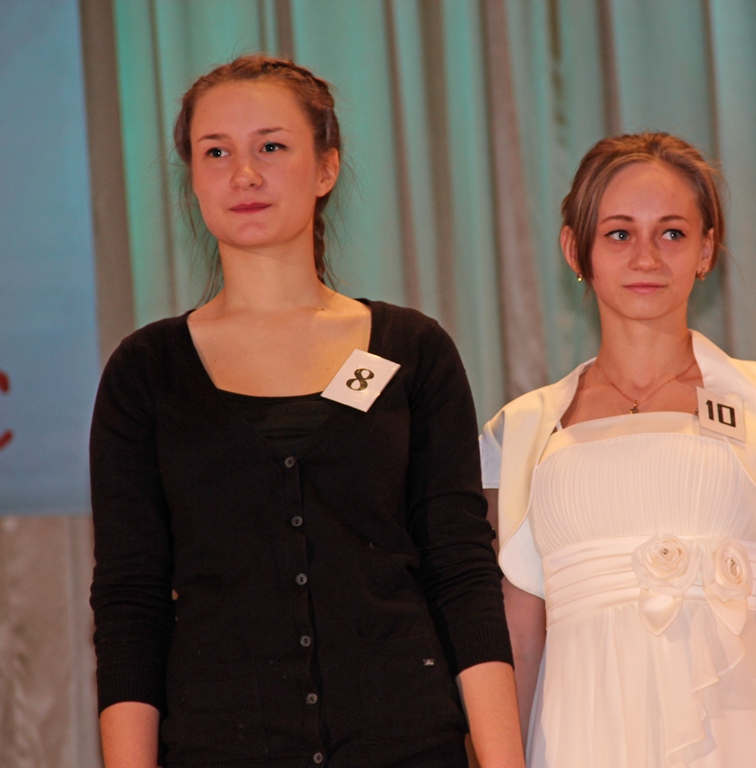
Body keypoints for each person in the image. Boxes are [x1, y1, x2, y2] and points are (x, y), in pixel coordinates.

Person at [89, 55, 524, 768]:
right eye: (216, 152)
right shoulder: (146, 372)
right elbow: (130, 603)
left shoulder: (412, 350)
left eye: (271, 146)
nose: (244, 174)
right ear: (192, 177)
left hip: (407, 741)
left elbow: (462, 572)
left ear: (326, 168)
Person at [481, 133, 756, 768]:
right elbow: (516, 636)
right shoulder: (519, 432)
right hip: (576, 744)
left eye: (672, 233)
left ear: (706, 250)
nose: (646, 257)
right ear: (576, 248)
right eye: (619, 234)